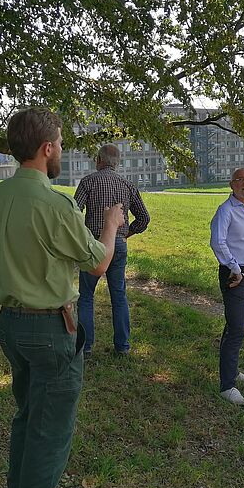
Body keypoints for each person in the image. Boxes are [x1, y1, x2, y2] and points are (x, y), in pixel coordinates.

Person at [0, 109, 124, 488]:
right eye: (58, 142)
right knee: (50, 428)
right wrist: (111, 226)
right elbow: (98, 262)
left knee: (27, 413)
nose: (61, 150)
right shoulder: (54, 204)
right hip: (50, 327)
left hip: (10, 325)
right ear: (47, 148)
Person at [75, 143, 150, 359]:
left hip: (94, 244)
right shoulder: (127, 185)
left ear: (98, 160)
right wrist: (126, 233)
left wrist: (82, 234)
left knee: (86, 296)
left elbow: (73, 212)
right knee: (119, 295)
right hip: (118, 244)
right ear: (117, 163)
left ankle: (86, 347)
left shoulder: (88, 181)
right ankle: (122, 347)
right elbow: (144, 218)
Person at [210, 168, 244, 406]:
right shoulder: (226, 210)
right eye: (241, 180)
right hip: (236, 276)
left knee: (236, 326)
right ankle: (227, 386)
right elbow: (217, 242)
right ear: (231, 184)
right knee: (236, 329)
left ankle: (232, 371)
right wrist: (236, 268)